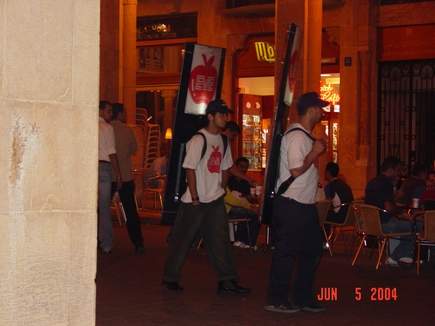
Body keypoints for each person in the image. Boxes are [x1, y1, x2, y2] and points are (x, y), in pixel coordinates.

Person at [162, 99, 250, 295]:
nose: (225, 118)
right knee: (183, 240)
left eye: (226, 114)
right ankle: (170, 277)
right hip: (195, 201)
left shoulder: (224, 141)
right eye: (221, 115)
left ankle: (227, 280)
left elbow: (227, 166)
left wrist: (247, 179)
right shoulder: (198, 140)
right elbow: (189, 169)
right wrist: (194, 197)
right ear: (211, 116)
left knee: (221, 240)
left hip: (215, 198)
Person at [265, 92, 328, 314]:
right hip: (292, 204)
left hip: (304, 204)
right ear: (311, 110)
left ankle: (303, 297)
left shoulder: (305, 136)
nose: (322, 113)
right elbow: (296, 169)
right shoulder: (297, 137)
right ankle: (277, 299)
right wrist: (315, 153)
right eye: (320, 108)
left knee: (311, 250)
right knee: (287, 252)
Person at [365, 156, 421, 266]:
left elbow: (384, 202)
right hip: (385, 223)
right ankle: (395, 256)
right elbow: (388, 208)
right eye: (397, 170)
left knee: (407, 225)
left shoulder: (372, 182)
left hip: (371, 223)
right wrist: (402, 214)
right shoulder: (386, 183)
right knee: (416, 225)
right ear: (390, 170)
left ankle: (405, 256)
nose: (399, 174)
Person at [111, 103, 145, 255]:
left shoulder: (105, 129)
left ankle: (101, 241)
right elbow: (133, 150)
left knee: (102, 210)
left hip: (108, 175)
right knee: (131, 211)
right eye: (124, 113)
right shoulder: (127, 131)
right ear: (119, 114)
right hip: (125, 175)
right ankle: (138, 243)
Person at [98, 101, 122, 254]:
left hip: (89, 167)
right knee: (104, 208)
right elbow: (112, 152)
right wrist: (118, 173)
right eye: (108, 110)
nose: (111, 113)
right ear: (100, 111)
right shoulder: (107, 128)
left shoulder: (87, 125)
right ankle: (106, 243)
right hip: (104, 168)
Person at [224, 157, 260, 248]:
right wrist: (249, 205)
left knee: (252, 213)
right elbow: (231, 200)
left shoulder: (246, 182)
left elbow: (247, 199)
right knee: (251, 214)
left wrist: (252, 199)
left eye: (246, 167)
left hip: (235, 206)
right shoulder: (227, 180)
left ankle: (246, 242)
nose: (244, 169)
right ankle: (244, 242)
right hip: (227, 208)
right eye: (241, 167)